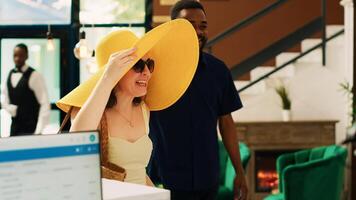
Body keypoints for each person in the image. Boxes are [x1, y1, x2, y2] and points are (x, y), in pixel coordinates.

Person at [56, 19, 199, 186]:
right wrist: (107, 79)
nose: (146, 72)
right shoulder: (89, 112)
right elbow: (76, 140)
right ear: (114, 70)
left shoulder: (144, 110)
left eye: (149, 64)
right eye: (137, 65)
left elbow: (138, 173)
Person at [148, 1, 248, 199]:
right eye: (189, 25)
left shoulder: (219, 71)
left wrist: (239, 171)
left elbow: (226, 122)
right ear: (173, 28)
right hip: (163, 179)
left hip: (207, 178)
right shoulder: (152, 70)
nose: (198, 31)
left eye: (203, 26)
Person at [2, 43, 50, 136]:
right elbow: (4, 99)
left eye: (21, 55)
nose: (17, 58)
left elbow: (44, 103)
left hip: (31, 128)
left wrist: (39, 131)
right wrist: (11, 109)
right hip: (14, 127)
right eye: (15, 55)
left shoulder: (35, 75)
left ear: (27, 56)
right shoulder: (10, 73)